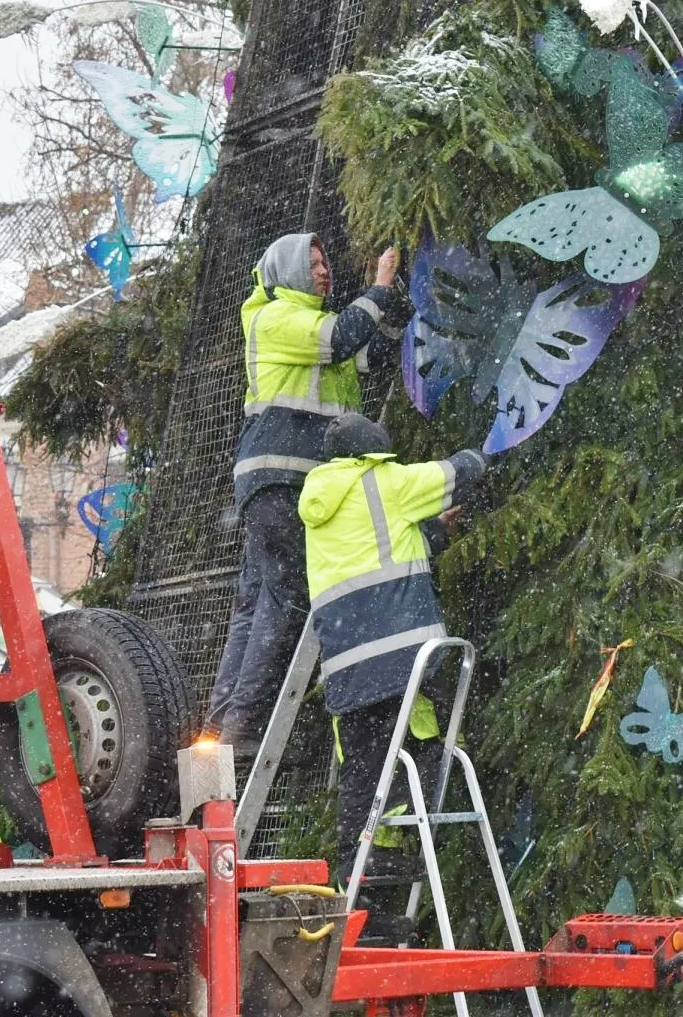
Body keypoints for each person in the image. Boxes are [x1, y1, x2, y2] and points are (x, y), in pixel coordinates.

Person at [204, 234, 406, 750]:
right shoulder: (277, 317)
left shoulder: (312, 327)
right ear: (288, 272)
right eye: (312, 264)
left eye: (324, 263)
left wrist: (396, 303)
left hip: (277, 483)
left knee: (255, 600)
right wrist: (379, 287)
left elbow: (371, 353)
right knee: (290, 597)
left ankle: (222, 726)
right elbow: (343, 337)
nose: (323, 271)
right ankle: (245, 727)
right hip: (283, 481)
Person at [297, 412, 489, 882]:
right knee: (430, 741)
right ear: (373, 451)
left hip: (347, 668)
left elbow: (382, 550)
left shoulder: (320, 506)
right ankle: (413, 826)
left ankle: (363, 860)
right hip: (405, 658)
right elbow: (455, 473)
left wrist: (435, 532)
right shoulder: (386, 481)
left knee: (362, 762)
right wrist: (486, 451)